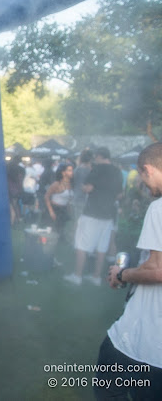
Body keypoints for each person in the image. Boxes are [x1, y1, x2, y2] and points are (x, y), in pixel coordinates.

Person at [94, 142, 162, 400]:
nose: (146, 187)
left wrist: (122, 275)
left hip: (144, 340)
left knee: (107, 392)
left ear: (147, 169)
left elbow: (158, 271)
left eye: (144, 179)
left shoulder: (159, 208)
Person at [65, 147, 123, 286]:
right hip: (108, 214)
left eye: (96, 156)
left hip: (92, 212)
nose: (94, 159)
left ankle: (77, 276)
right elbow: (120, 195)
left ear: (99, 156)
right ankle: (96, 277)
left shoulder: (97, 169)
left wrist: (84, 188)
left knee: (81, 244)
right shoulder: (117, 171)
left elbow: (88, 188)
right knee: (102, 247)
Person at [43, 163, 74, 236]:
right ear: (63, 173)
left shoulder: (71, 184)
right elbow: (46, 197)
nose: (72, 172)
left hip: (64, 209)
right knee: (53, 232)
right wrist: (51, 211)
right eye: (69, 170)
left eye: (72, 170)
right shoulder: (57, 184)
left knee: (61, 230)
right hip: (55, 208)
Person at [73, 149, 93, 221]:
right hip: (88, 200)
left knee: (78, 221)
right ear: (90, 159)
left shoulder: (77, 169)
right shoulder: (91, 171)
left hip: (77, 197)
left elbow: (73, 183)